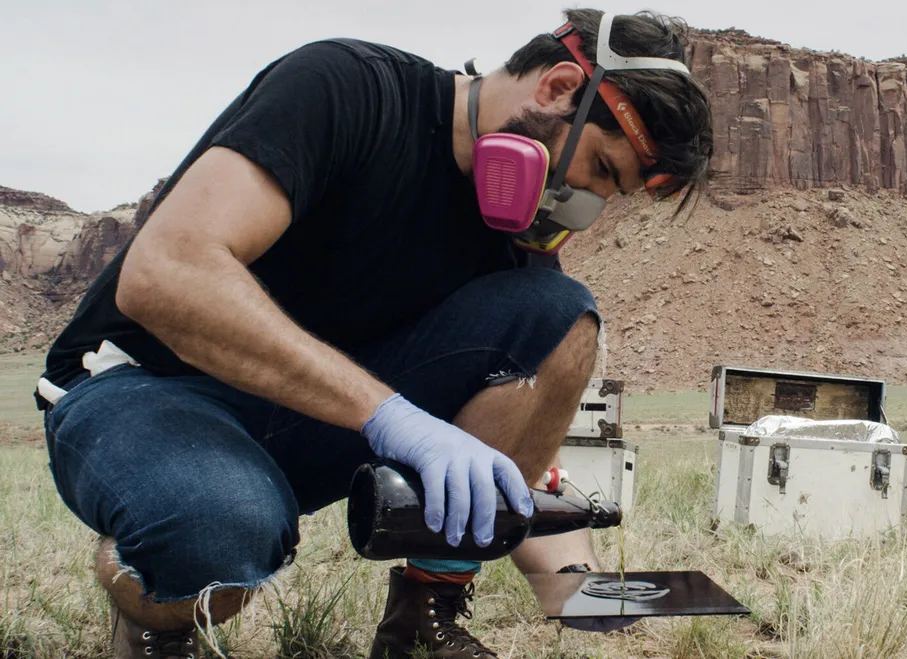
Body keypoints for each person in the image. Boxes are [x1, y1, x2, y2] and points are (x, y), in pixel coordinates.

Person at [34, 7, 713, 659]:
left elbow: (506, 454)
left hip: (305, 411)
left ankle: (424, 616)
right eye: (599, 169)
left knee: (558, 314)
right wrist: (392, 417)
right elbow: (165, 275)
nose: (584, 206)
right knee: (212, 531)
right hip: (146, 385)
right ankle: (155, 607)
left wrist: (577, 586)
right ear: (560, 86)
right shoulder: (346, 87)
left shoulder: (507, 234)